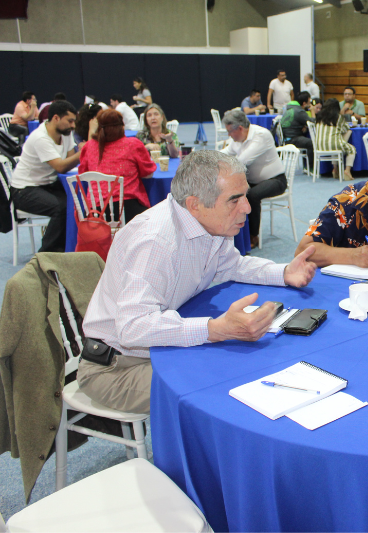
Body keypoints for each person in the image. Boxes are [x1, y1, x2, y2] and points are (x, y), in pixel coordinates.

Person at [76, 150, 317, 414]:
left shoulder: (210, 223)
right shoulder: (155, 242)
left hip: (158, 351)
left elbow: (232, 265)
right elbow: (132, 327)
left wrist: (283, 273)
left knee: (244, 366)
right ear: (195, 204)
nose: (247, 208)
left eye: (245, 195)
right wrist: (215, 329)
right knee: (228, 389)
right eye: (235, 200)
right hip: (116, 367)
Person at [8, 100, 81, 253]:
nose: (73, 125)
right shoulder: (40, 138)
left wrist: (78, 154)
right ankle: (46, 254)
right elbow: (61, 166)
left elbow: (70, 160)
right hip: (24, 190)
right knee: (61, 208)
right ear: (55, 118)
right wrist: (84, 152)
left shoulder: (64, 133)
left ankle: (68, 248)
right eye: (70, 121)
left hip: (46, 184)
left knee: (76, 202)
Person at [220, 110, 287, 248]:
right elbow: (225, 153)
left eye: (230, 132)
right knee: (233, 193)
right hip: (254, 181)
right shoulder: (238, 139)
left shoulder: (261, 135)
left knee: (251, 196)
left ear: (239, 128)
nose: (229, 135)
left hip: (276, 180)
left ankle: (253, 235)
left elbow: (241, 161)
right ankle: (236, 232)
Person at [79, 108, 157, 222]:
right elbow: (148, 172)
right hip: (129, 210)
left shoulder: (89, 146)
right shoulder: (133, 144)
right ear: (122, 126)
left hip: (97, 212)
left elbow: (83, 174)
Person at [314, 98, 356, 181]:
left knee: (336, 141)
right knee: (351, 149)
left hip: (319, 145)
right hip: (334, 144)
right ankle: (347, 170)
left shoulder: (318, 116)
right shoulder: (338, 117)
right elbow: (345, 128)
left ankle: (335, 169)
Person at [280, 91, 314, 167]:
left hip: (285, 139)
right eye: (309, 102)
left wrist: (304, 125)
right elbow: (312, 122)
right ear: (304, 103)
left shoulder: (289, 109)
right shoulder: (299, 111)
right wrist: (313, 111)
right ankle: (310, 167)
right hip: (293, 139)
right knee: (311, 143)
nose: (310, 105)